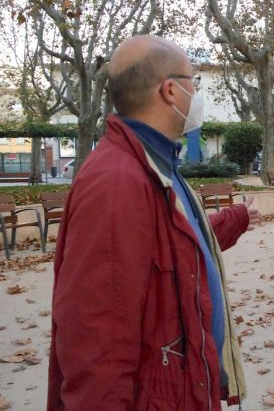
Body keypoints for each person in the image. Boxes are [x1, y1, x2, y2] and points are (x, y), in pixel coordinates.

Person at [47, 35, 260, 411]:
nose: (198, 94)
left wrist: (235, 219)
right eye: (194, 81)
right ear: (171, 90)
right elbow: (97, 346)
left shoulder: (154, 164)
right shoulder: (116, 183)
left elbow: (173, 241)